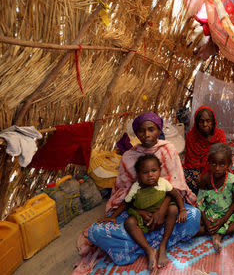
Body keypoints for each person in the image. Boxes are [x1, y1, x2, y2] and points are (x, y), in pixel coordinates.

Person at [82, 112, 200, 269]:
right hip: (137, 211)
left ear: (159, 130)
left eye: (151, 129)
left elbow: (176, 188)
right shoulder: (128, 156)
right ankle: (152, 245)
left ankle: (138, 246)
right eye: (141, 131)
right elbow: (124, 194)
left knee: (194, 216)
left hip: (165, 210)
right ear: (136, 133)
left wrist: (161, 211)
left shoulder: (168, 149)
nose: (146, 134)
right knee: (95, 232)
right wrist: (139, 212)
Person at [98, 154, 187, 270]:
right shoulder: (136, 187)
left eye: (154, 170)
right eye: (145, 172)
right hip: (144, 219)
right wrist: (113, 216)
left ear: (160, 171)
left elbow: (176, 195)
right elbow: (126, 203)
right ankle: (149, 250)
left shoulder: (164, 183)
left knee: (173, 209)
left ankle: (163, 245)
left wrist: (182, 210)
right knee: (129, 222)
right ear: (138, 175)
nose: (150, 175)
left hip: (162, 218)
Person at [196, 143, 234, 252]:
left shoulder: (232, 180)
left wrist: (222, 221)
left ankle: (220, 231)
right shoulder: (204, 180)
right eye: (213, 164)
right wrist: (207, 222)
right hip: (211, 212)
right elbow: (201, 203)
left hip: (229, 211)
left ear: (229, 164)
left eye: (222, 164)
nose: (217, 168)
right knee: (193, 229)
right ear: (209, 163)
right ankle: (218, 230)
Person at [184, 106, 226, 194]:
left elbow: (222, 158)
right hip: (196, 171)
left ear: (213, 121)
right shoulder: (190, 137)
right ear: (196, 122)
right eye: (201, 121)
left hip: (215, 168)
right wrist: (202, 177)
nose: (205, 124)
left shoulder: (219, 135)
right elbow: (191, 162)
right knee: (186, 178)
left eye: (208, 121)